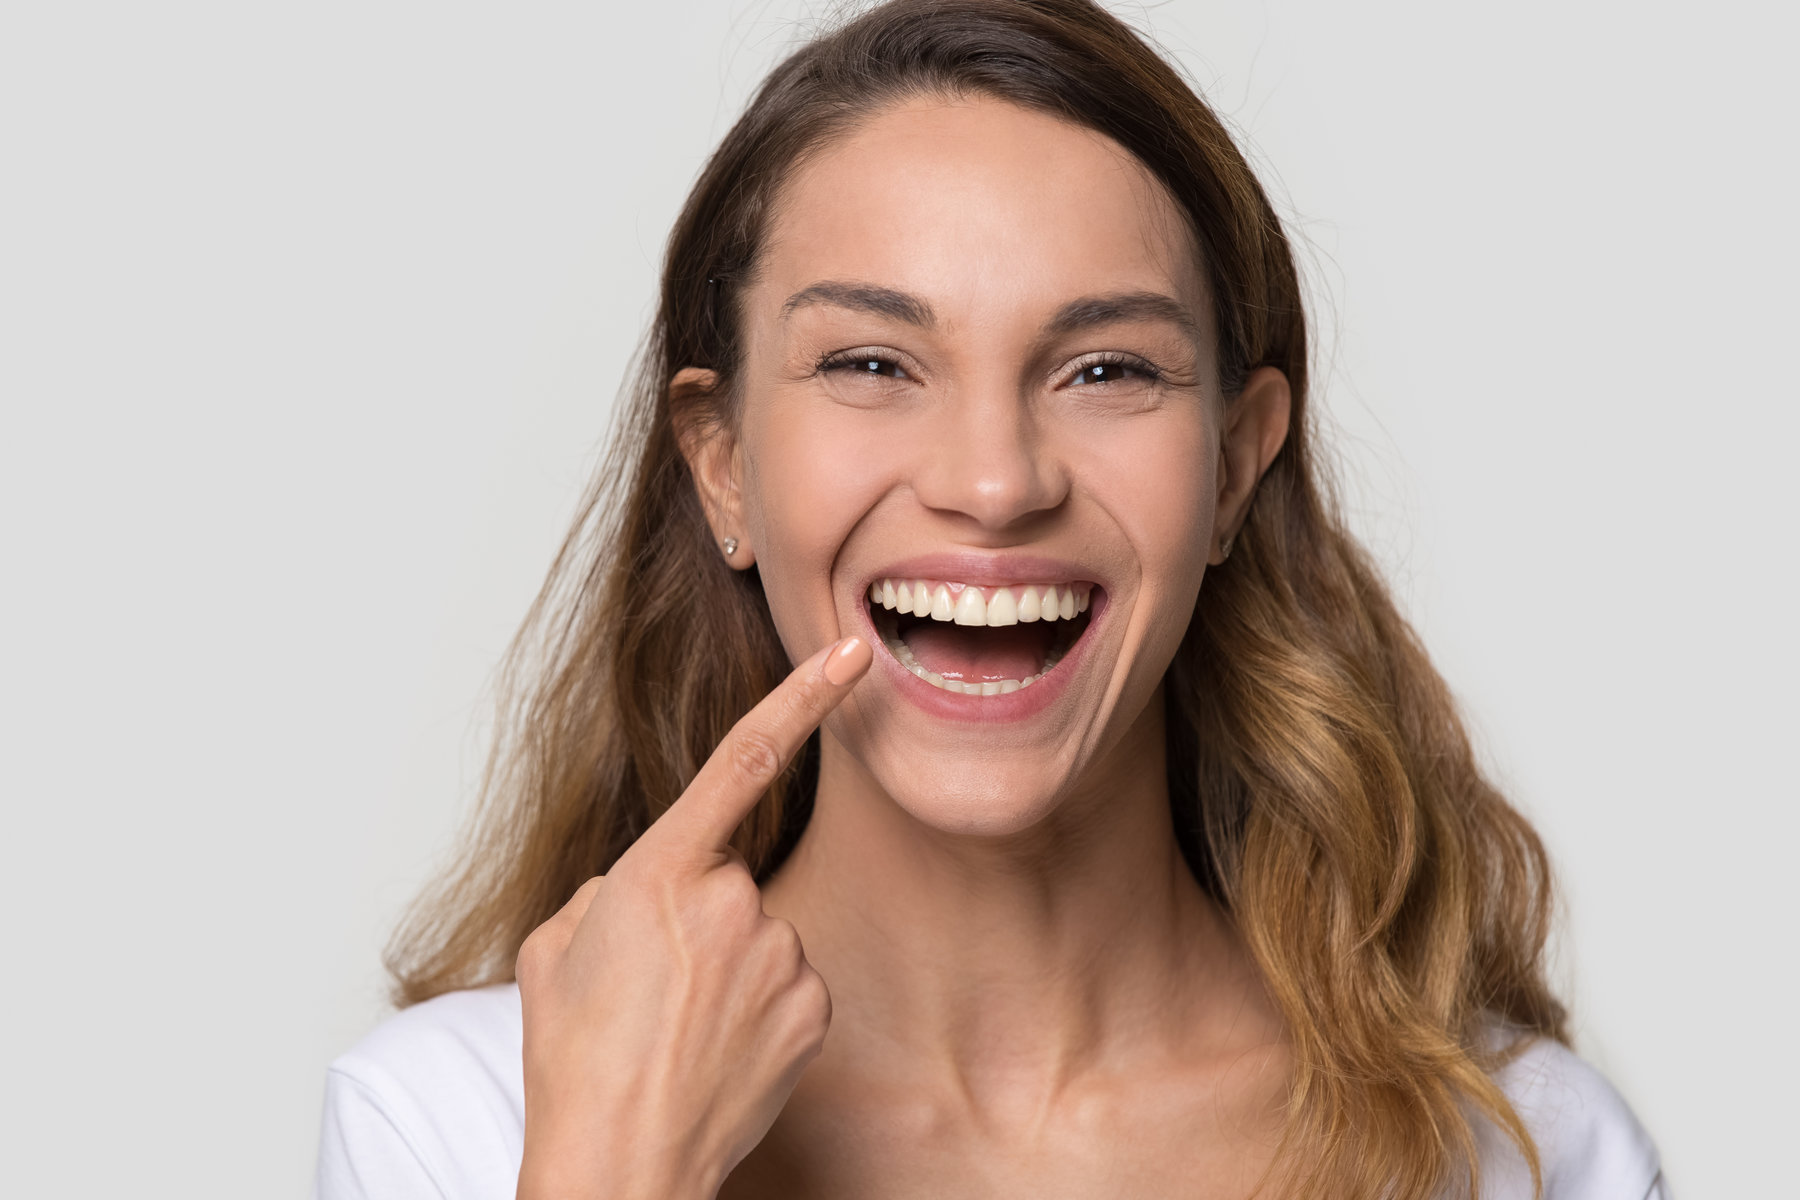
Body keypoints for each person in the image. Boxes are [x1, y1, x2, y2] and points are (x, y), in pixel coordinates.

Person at [313, 2, 1667, 1197]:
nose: (993, 481)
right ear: (722, 467)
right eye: (871, 362)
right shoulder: (455, 1129)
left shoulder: (1525, 1153)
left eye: (1105, 371)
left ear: (1238, 468)